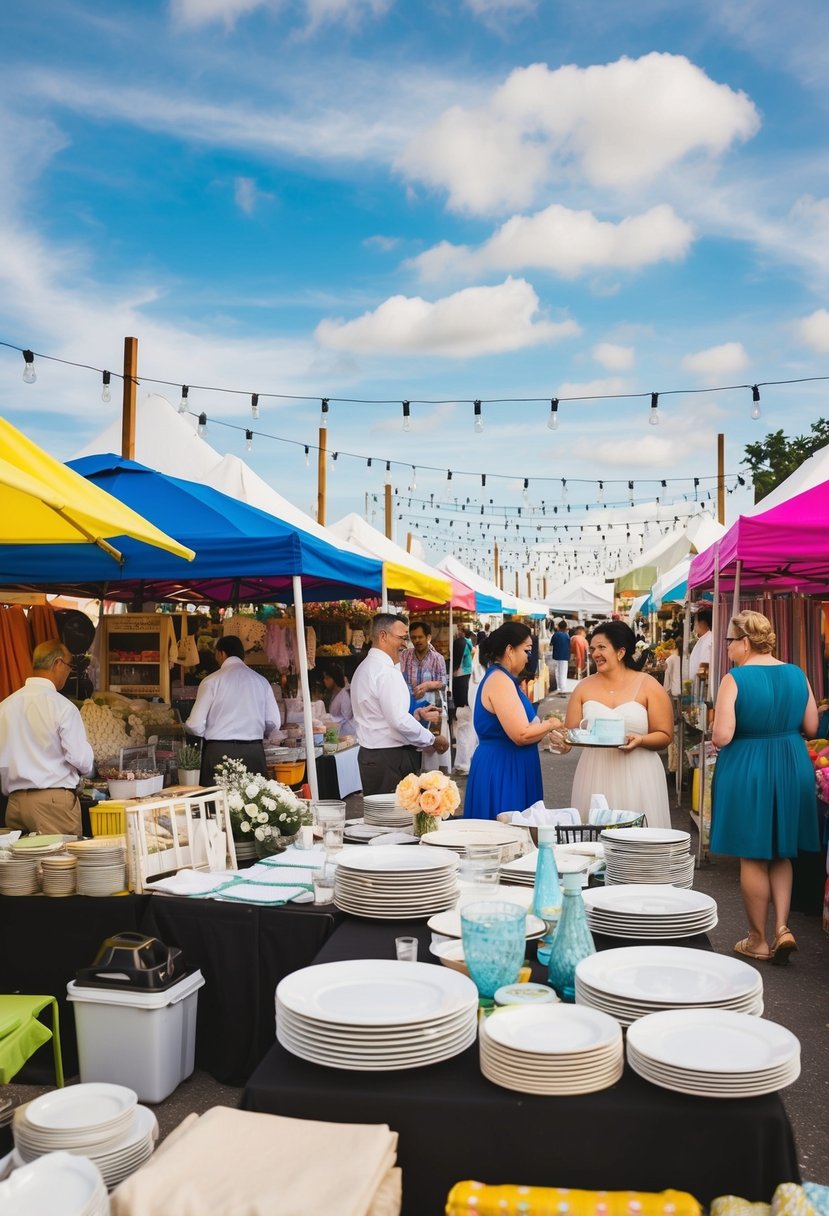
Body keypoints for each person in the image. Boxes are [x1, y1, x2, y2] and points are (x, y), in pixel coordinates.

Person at [710, 611, 819, 965]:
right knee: (781, 852)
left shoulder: (735, 679)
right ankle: (782, 928)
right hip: (791, 762)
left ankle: (757, 939)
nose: (726, 648)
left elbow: (722, 736)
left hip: (749, 765)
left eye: (729, 641)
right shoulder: (797, 673)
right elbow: (812, 726)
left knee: (753, 854)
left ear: (745, 641)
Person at [559, 621, 673, 826]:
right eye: (593, 648)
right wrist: (561, 742)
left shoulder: (648, 685)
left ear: (621, 652)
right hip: (595, 773)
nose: (595, 654)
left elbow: (665, 735)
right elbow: (570, 734)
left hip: (640, 773)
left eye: (602, 647)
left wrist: (641, 740)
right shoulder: (583, 687)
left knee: (637, 844)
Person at [463, 621, 563, 820]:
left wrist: (549, 733)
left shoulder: (505, 679)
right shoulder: (500, 680)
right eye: (526, 650)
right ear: (510, 650)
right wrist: (551, 723)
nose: (529, 658)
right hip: (504, 769)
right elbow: (521, 734)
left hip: (512, 766)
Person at [0, 639, 94, 836]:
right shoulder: (62, 707)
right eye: (69, 667)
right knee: (59, 862)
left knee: (23, 866)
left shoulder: (5, 706)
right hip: (53, 803)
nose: (69, 673)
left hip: (15, 804)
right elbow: (81, 760)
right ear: (58, 663)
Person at [350, 614, 448, 795]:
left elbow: (383, 714)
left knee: (382, 817)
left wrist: (416, 714)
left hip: (375, 755)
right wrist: (432, 739)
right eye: (402, 638)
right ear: (383, 636)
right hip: (389, 757)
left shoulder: (366, 667)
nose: (406, 644)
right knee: (395, 818)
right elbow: (398, 720)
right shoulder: (384, 672)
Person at [186, 634, 280, 785]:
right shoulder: (261, 682)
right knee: (253, 805)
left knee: (217, 804)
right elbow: (274, 722)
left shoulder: (211, 681)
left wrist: (213, 732)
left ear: (221, 653)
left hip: (219, 751)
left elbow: (194, 724)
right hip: (253, 752)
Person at [399, 620, 447, 705]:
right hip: (408, 706)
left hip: (430, 707)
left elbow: (443, 683)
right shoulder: (404, 656)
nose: (417, 640)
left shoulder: (438, 658)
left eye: (420, 637)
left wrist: (428, 685)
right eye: (413, 637)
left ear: (428, 637)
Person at [323, 664, 355, 737]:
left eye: (327, 678)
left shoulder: (344, 695)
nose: (324, 681)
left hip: (347, 733)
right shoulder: (335, 694)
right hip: (337, 732)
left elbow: (347, 716)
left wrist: (330, 719)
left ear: (334, 679)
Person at [689, 607, 713, 681]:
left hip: (701, 683)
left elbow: (704, 665)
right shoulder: (704, 638)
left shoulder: (709, 639)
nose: (694, 626)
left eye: (695, 622)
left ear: (702, 623)